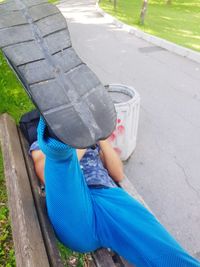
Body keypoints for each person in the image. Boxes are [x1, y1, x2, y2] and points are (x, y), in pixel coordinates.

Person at [29, 116, 200, 267]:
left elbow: (118, 173)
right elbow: (45, 173)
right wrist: (79, 141)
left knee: (163, 249)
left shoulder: (94, 144)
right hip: (76, 205)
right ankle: (59, 144)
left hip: (109, 198)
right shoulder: (40, 145)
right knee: (61, 161)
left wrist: (100, 139)